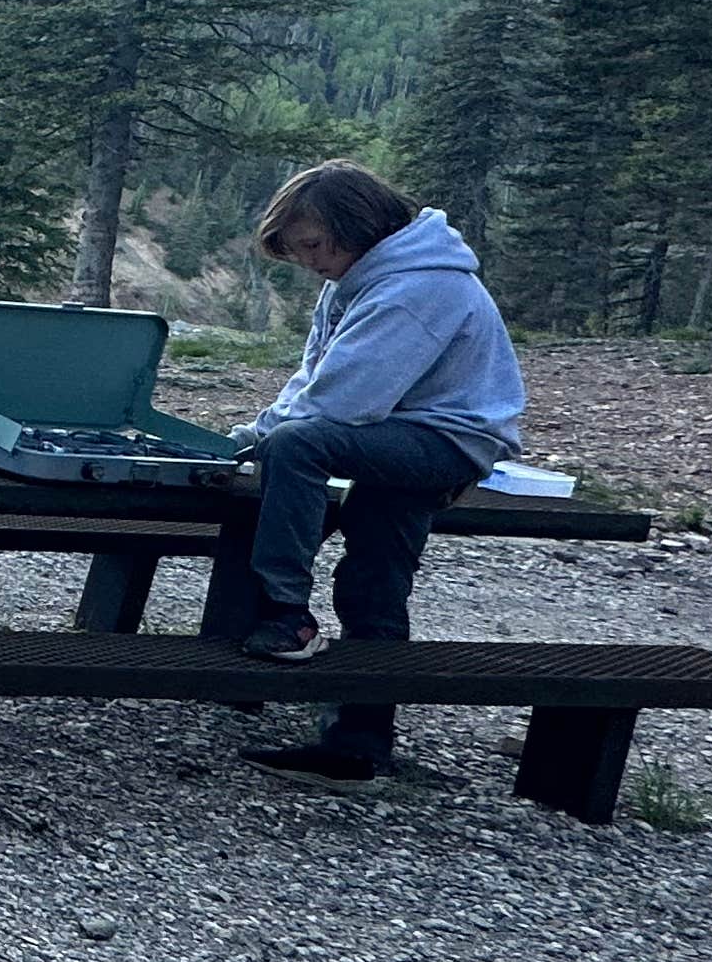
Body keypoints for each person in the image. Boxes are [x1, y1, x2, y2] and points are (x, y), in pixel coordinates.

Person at [223, 161, 525, 783]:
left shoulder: (417, 288)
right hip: (405, 435)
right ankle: (358, 744)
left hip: (446, 440)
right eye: (296, 249)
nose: (307, 260)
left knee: (298, 450)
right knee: (375, 578)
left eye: (311, 244)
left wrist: (264, 442)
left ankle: (285, 614)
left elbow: (343, 402)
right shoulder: (356, 280)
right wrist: (250, 435)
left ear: (353, 225)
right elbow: (315, 379)